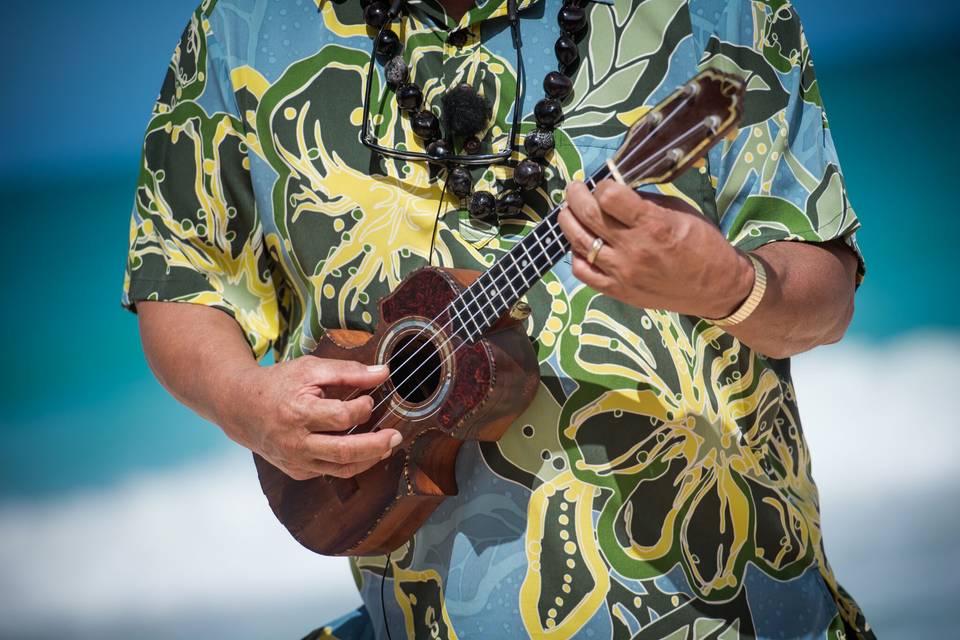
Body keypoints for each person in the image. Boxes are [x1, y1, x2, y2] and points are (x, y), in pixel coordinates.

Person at [123, 0, 873, 637]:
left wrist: (731, 288)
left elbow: (825, 297)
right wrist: (244, 404)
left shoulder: (708, 11)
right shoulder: (241, 28)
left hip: (727, 614)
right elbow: (178, 278)